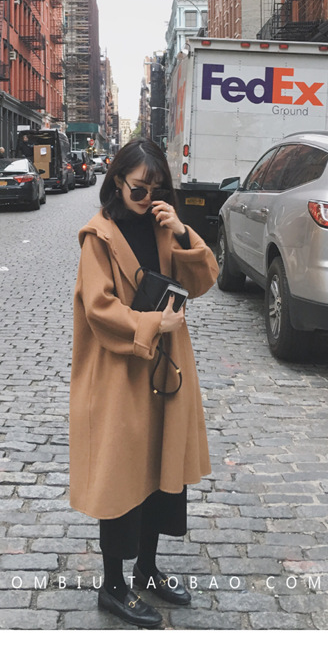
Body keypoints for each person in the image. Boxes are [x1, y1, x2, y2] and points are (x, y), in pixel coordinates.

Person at [70, 138, 218, 628]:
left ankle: (147, 570)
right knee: (121, 476)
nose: (147, 198)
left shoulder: (163, 227)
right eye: (138, 188)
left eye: (157, 190)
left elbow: (203, 281)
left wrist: (182, 232)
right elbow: (99, 308)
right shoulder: (98, 237)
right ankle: (113, 585)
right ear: (117, 181)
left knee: (158, 471)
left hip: (164, 367)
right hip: (119, 371)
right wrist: (155, 325)